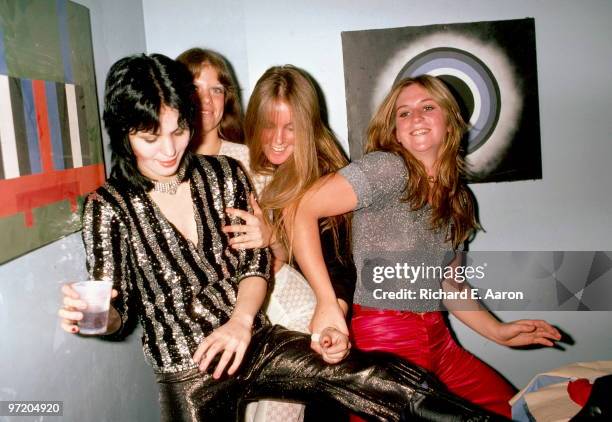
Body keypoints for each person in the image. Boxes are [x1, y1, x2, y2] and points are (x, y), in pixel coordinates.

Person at [57, 54, 502, 422]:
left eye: (178, 132)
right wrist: (96, 318)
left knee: (377, 380)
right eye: (151, 137)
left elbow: (272, 263)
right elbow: (116, 312)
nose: (170, 150)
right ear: (125, 134)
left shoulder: (228, 173)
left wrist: (252, 317)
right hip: (186, 368)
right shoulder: (111, 205)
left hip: (267, 334)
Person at [290, 75, 562, 419]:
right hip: (383, 337)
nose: (415, 117)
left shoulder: (459, 198)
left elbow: (449, 284)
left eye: (427, 107)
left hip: (439, 338)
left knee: (508, 409)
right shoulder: (386, 168)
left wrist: (499, 332)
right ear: (394, 129)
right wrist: (327, 303)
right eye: (403, 113)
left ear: (450, 122)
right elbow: (302, 208)